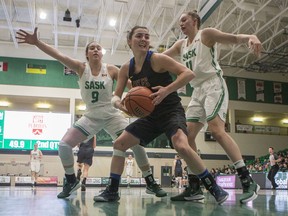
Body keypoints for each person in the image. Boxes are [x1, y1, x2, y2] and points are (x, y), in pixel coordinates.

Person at [16, 27, 166, 199]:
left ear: (102, 54)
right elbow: (58, 55)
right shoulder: (81, 68)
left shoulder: (111, 70)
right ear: (86, 54)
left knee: (137, 145)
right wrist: (37, 43)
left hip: (112, 114)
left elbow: (133, 87)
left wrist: (142, 100)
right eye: (92, 48)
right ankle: (71, 180)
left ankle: (149, 181)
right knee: (64, 146)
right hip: (91, 116)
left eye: (98, 48)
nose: (96, 50)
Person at [94, 25, 228, 204]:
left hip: (170, 111)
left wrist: (167, 90)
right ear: (129, 41)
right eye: (139, 36)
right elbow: (115, 96)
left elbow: (188, 73)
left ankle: (213, 187)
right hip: (149, 116)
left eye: (147, 36)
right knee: (119, 143)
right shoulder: (127, 68)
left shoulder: (157, 59)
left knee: (181, 145)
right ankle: (112, 190)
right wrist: (120, 104)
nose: (144, 39)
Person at [164, 10, 261, 203]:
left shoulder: (205, 34)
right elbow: (159, 59)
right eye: (179, 21)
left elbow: (232, 38)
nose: (181, 24)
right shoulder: (180, 45)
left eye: (184, 20)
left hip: (213, 84)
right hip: (197, 90)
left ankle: (247, 179)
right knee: (187, 137)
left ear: (195, 21)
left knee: (216, 130)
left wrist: (251, 36)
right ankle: (194, 186)